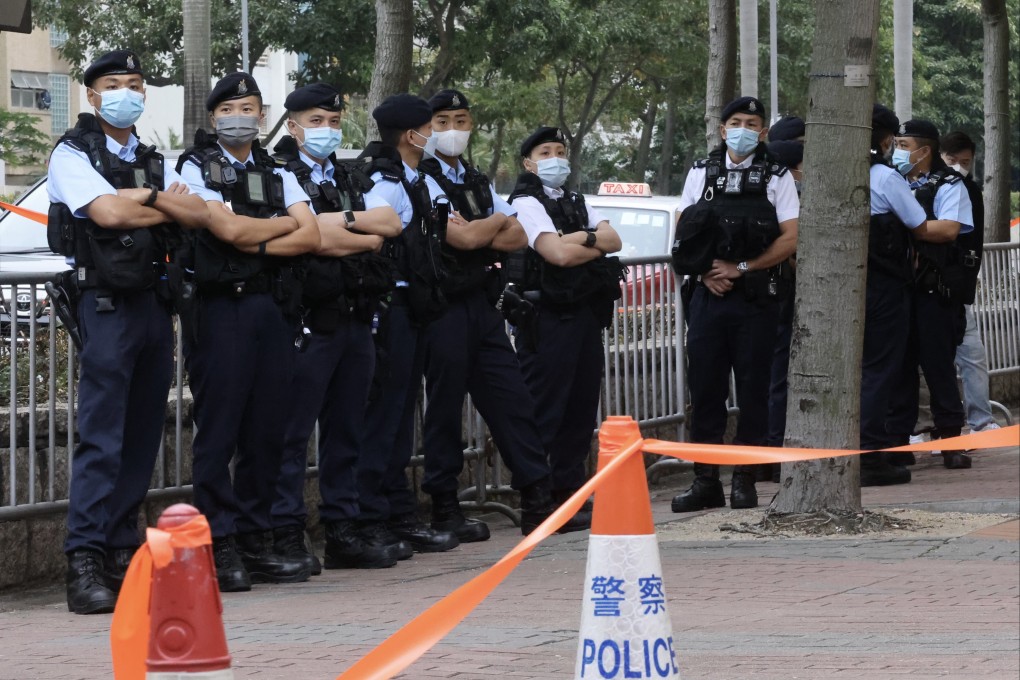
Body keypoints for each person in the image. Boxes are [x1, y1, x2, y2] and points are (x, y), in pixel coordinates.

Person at [48, 50, 211, 614]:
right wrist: (157, 204)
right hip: (105, 305)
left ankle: (122, 552)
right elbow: (107, 215)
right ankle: (85, 559)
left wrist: (140, 200)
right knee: (101, 437)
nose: (127, 92)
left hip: (151, 305)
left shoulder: (149, 157)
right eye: (114, 84)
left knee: (143, 433)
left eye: (136, 84)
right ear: (92, 95)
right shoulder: (72, 152)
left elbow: (194, 215)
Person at [418, 92, 586, 539]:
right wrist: (486, 228)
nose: (453, 128)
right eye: (441, 120)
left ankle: (537, 496)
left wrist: (482, 228)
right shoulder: (423, 177)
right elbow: (468, 240)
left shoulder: (473, 178)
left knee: (512, 400)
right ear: (426, 128)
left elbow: (514, 235)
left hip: (481, 302)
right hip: (444, 305)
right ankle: (445, 506)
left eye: (461, 119)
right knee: (445, 408)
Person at [178, 72, 321, 591]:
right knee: (220, 430)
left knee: (268, 429)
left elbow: (310, 234)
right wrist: (272, 226)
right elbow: (227, 229)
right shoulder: (195, 168)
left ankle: (257, 536)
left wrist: (257, 241)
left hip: (272, 308)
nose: (240, 116)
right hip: (221, 311)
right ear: (213, 117)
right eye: (229, 108)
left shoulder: (277, 168)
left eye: (249, 108)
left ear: (264, 117)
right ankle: (217, 541)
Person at [268, 83, 412, 571]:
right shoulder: (280, 175)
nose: (326, 129)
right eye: (315, 121)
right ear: (292, 126)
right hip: (309, 322)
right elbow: (311, 240)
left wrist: (339, 224)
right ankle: (285, 531)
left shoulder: (349, 175)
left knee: (347, 431)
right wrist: (355, 231)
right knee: (290, 433)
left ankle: (342, 529)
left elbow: (389, 224)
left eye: (332, 121)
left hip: (355, 318)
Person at [670, 96, 799, 512]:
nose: (744, 129)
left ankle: (745, 479)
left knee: (753, 392)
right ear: (723, 129)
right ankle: (706, 479)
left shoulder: (777, 175)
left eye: (753, 123)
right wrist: (708, 270)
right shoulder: (700, 172)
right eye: (736, 122)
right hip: (708, 297)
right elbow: (684, 230)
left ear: (763, 133)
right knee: (705, 392)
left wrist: (742, 267)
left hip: (755, 299)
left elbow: (791, 236)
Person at [353, 94, 462, 554]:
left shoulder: (420, 177)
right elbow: (382, 234)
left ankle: (397, 509)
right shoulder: (386, 181)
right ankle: (374, 514)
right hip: (392, 306)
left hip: (417, 307)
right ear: (409, 134)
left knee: (401, 418)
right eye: (428, 126)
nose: (434, 134)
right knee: (384, 417)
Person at [506, 126, 624, 532]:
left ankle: (570, 496)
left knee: (579, 409)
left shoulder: (575, 200)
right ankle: (538, 502)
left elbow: (615, 239)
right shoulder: (525, 200)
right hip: (546, 317)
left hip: (584, 314)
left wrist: (579, 237)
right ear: (528, 163)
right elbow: (553, 254)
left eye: (560, 150)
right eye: (545, 151)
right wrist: (587, 243)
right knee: (546, 409)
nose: (555, 157)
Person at [858, 104, 953, 486]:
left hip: (846, 289)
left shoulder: (829, 172)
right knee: (880, 371)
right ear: (884, 141)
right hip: (883, 288)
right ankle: (871, 455)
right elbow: (917, 225)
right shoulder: (883, 177)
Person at [886, 119, 975, 470]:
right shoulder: (891, 181)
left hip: (933, 291)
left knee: (938, 367)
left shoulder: (949, 184)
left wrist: (907, 228)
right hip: (897, 290)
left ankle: (951, 438)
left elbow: (949, 229)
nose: (898, 151)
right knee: (898, 369)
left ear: (925, 150)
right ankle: (897, 443)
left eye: (904, 145)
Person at [941, 131, 999, 434]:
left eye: (964, 162)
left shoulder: (969, 190)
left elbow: (972, 245)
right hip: (933, 289)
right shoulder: (928, 187)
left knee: (972, 356)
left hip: (958, 290)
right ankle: (938, 426)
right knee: (940, 362)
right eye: (953, 160)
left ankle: (981, 419)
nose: (959, 167)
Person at [764, 140, 803, 479]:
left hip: (770, 293)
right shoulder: (782, 191)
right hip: (775, 293)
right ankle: (773, 453)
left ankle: (770, 454)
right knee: (776, 378)